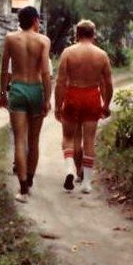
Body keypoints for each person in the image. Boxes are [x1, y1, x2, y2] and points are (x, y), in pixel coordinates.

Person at [0, 6, 52, 203]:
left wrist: (2, 92)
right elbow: (45, 72)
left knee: (20, 139)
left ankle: (22, 186)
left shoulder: (11, 38)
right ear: (36, 20)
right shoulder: (43, 41)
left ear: (20, 21)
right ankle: (29, 180)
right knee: (34, 140)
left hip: (18, 89)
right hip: (36, 89)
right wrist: (47, 98)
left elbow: (4, 69)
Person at [55, 19, 113, 194]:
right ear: (93, 35)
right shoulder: (102, 55)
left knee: (68, 137)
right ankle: (86, 182)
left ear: (77, 34)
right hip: (92, 97)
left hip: (73, 94)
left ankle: (70, 170)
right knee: (89, 139)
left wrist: (58, 105)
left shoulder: (68, 53)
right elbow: (108, 84)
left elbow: (60, 82)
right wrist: (106, 104)